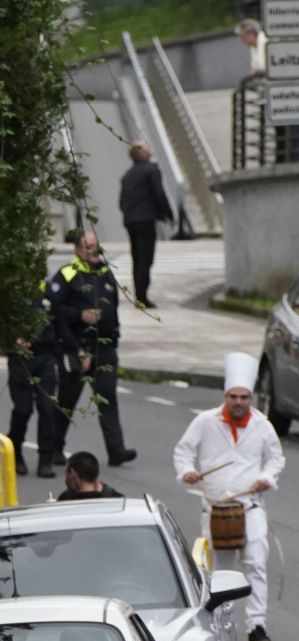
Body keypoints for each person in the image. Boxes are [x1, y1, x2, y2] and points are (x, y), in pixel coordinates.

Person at [175, 350, 285, 641]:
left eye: (244, 397)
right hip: (215, 508)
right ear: (226, 396)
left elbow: (276, 458)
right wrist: (189, 472)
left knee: (256, 564)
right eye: (234, 397)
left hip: (250, 507)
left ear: (251, 398)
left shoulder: (262, 425)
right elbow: (183, 451)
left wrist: (267, 477)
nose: (239, 402)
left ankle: (257, 624)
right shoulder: (205, 421)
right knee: (220, 572)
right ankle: (223, 625)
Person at [50, 231, 134, 469]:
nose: (95, 252)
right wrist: (80, 316)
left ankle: (116, 450)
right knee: (67, 400)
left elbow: (113, 306)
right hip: (75, 349)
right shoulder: (67, 275)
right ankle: (54, 447)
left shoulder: (105, 273)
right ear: (77, 250)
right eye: (88, 247)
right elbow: (55, 311)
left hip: (104, 348)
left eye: (97, 246)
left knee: (107, 398)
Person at [5, 285, 62, 477]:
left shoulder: (48, 293)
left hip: (45, 357)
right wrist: (13, 340)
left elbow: (60, 321)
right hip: (22, 359)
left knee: (47, 408)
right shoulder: (11, 293)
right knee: (23, 410)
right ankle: (16, 451)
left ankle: (45, 459)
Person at [118, 141, 173, 308]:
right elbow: (159, 193)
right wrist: (168, 214)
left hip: (130, 220)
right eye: (145, 147)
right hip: (146, 219)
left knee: (136, 257)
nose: (149, 149)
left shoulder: (127, 175)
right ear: (140, 152)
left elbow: (121, 201)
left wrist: (129, 213)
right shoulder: (151, 170)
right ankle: (142, 297)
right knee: (146, 258)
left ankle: (138, 294)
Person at [57, 451, 121, 499]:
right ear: (97, 473)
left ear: (73, 473)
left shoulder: (66, 499)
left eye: (66, 473)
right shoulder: (117, 499)